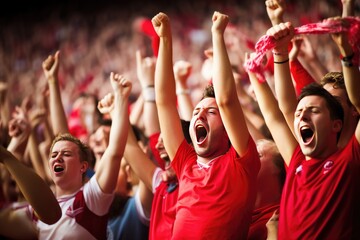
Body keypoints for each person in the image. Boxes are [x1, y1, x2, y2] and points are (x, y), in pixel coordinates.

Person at [247, 18, 360, 239]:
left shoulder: (350, 160)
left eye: (314, 111)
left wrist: (346, 52)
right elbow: (278, 114)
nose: (301, 116)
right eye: (300, 113)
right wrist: (279, 52)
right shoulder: (297, 159)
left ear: (336, 123)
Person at [152, 11, 260, 239]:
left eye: (211, 112)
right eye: (195, 112)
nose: (199, 115)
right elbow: (163, 101)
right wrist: (165, 39)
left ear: (228, 130)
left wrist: (217, 35)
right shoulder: (185, 162)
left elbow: (227, 100)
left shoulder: (241, 162)